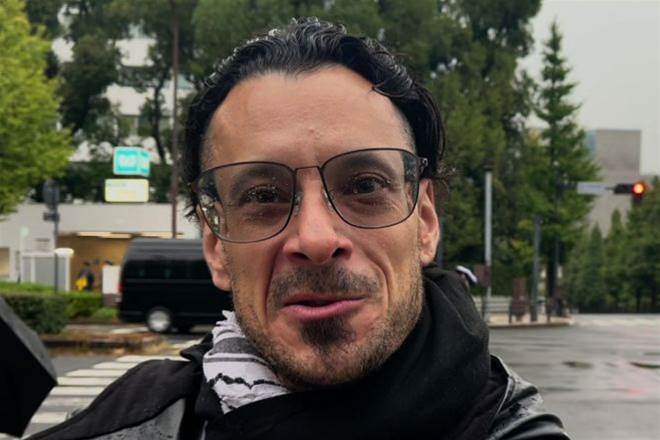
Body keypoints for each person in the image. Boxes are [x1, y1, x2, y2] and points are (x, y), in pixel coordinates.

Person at [30, 18, 569, 440]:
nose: (315, 239)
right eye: (263, 197)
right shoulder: (126, 426)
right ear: (215, 245)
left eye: (364, 185)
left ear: (424, 221)